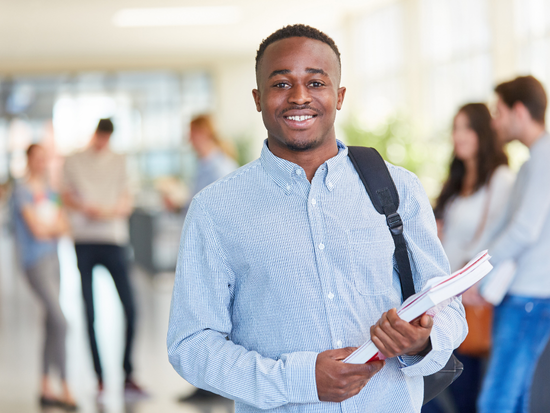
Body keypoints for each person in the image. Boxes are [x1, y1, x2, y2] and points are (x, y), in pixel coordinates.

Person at [167, 24, 467, 413]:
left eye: (316, 82)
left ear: (339, 96)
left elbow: (448, 307)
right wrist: (300, 378)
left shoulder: (399, 188)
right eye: (280, 85)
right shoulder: (215, 210)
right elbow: (191, 345)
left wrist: (422, 340)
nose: (299, 97)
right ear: (258, 99)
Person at [426, 104, 514, 413]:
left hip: (470, 295)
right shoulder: (457, 180)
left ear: (482, 132)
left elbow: (498, 240)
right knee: (432, 383)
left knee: (461, 387)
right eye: (455, 128)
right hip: (442, 295)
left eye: (466, 128)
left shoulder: (500, 179)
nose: (457, 136)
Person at [474, 76, 550, 413]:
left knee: (498, 400)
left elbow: (524, 231)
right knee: (514, 398)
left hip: (529, 298)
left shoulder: (543, 159)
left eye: (498, 111)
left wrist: (475, 273)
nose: (494, 121)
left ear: (519, 112)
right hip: (526, 296)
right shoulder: (533, 162)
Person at [61, 118, 146, 400]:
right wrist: (85, 207)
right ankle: (99, 379)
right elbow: (64, 195)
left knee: (131, 308)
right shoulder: (73, 160)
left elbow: (126, 200)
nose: (102, 143)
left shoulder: (120, 161)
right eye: (99, 137)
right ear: (95, 134)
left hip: (113, 240)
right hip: (84, 241)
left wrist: (108, 211)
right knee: (89, 311)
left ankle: (127, 374)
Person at [12, 144, 77, 410]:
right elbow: (36, 231)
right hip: (34, 263)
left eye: (44, 159)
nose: (41, 163)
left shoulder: (51, 192)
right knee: (61, 322)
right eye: (36, 158)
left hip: (54, 261)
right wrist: (51, 227)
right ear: (28, 160)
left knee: (51, 323)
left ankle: (45, 387)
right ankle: (65, 385)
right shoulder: (21, 191)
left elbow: (64, 225)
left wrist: (49, 227)